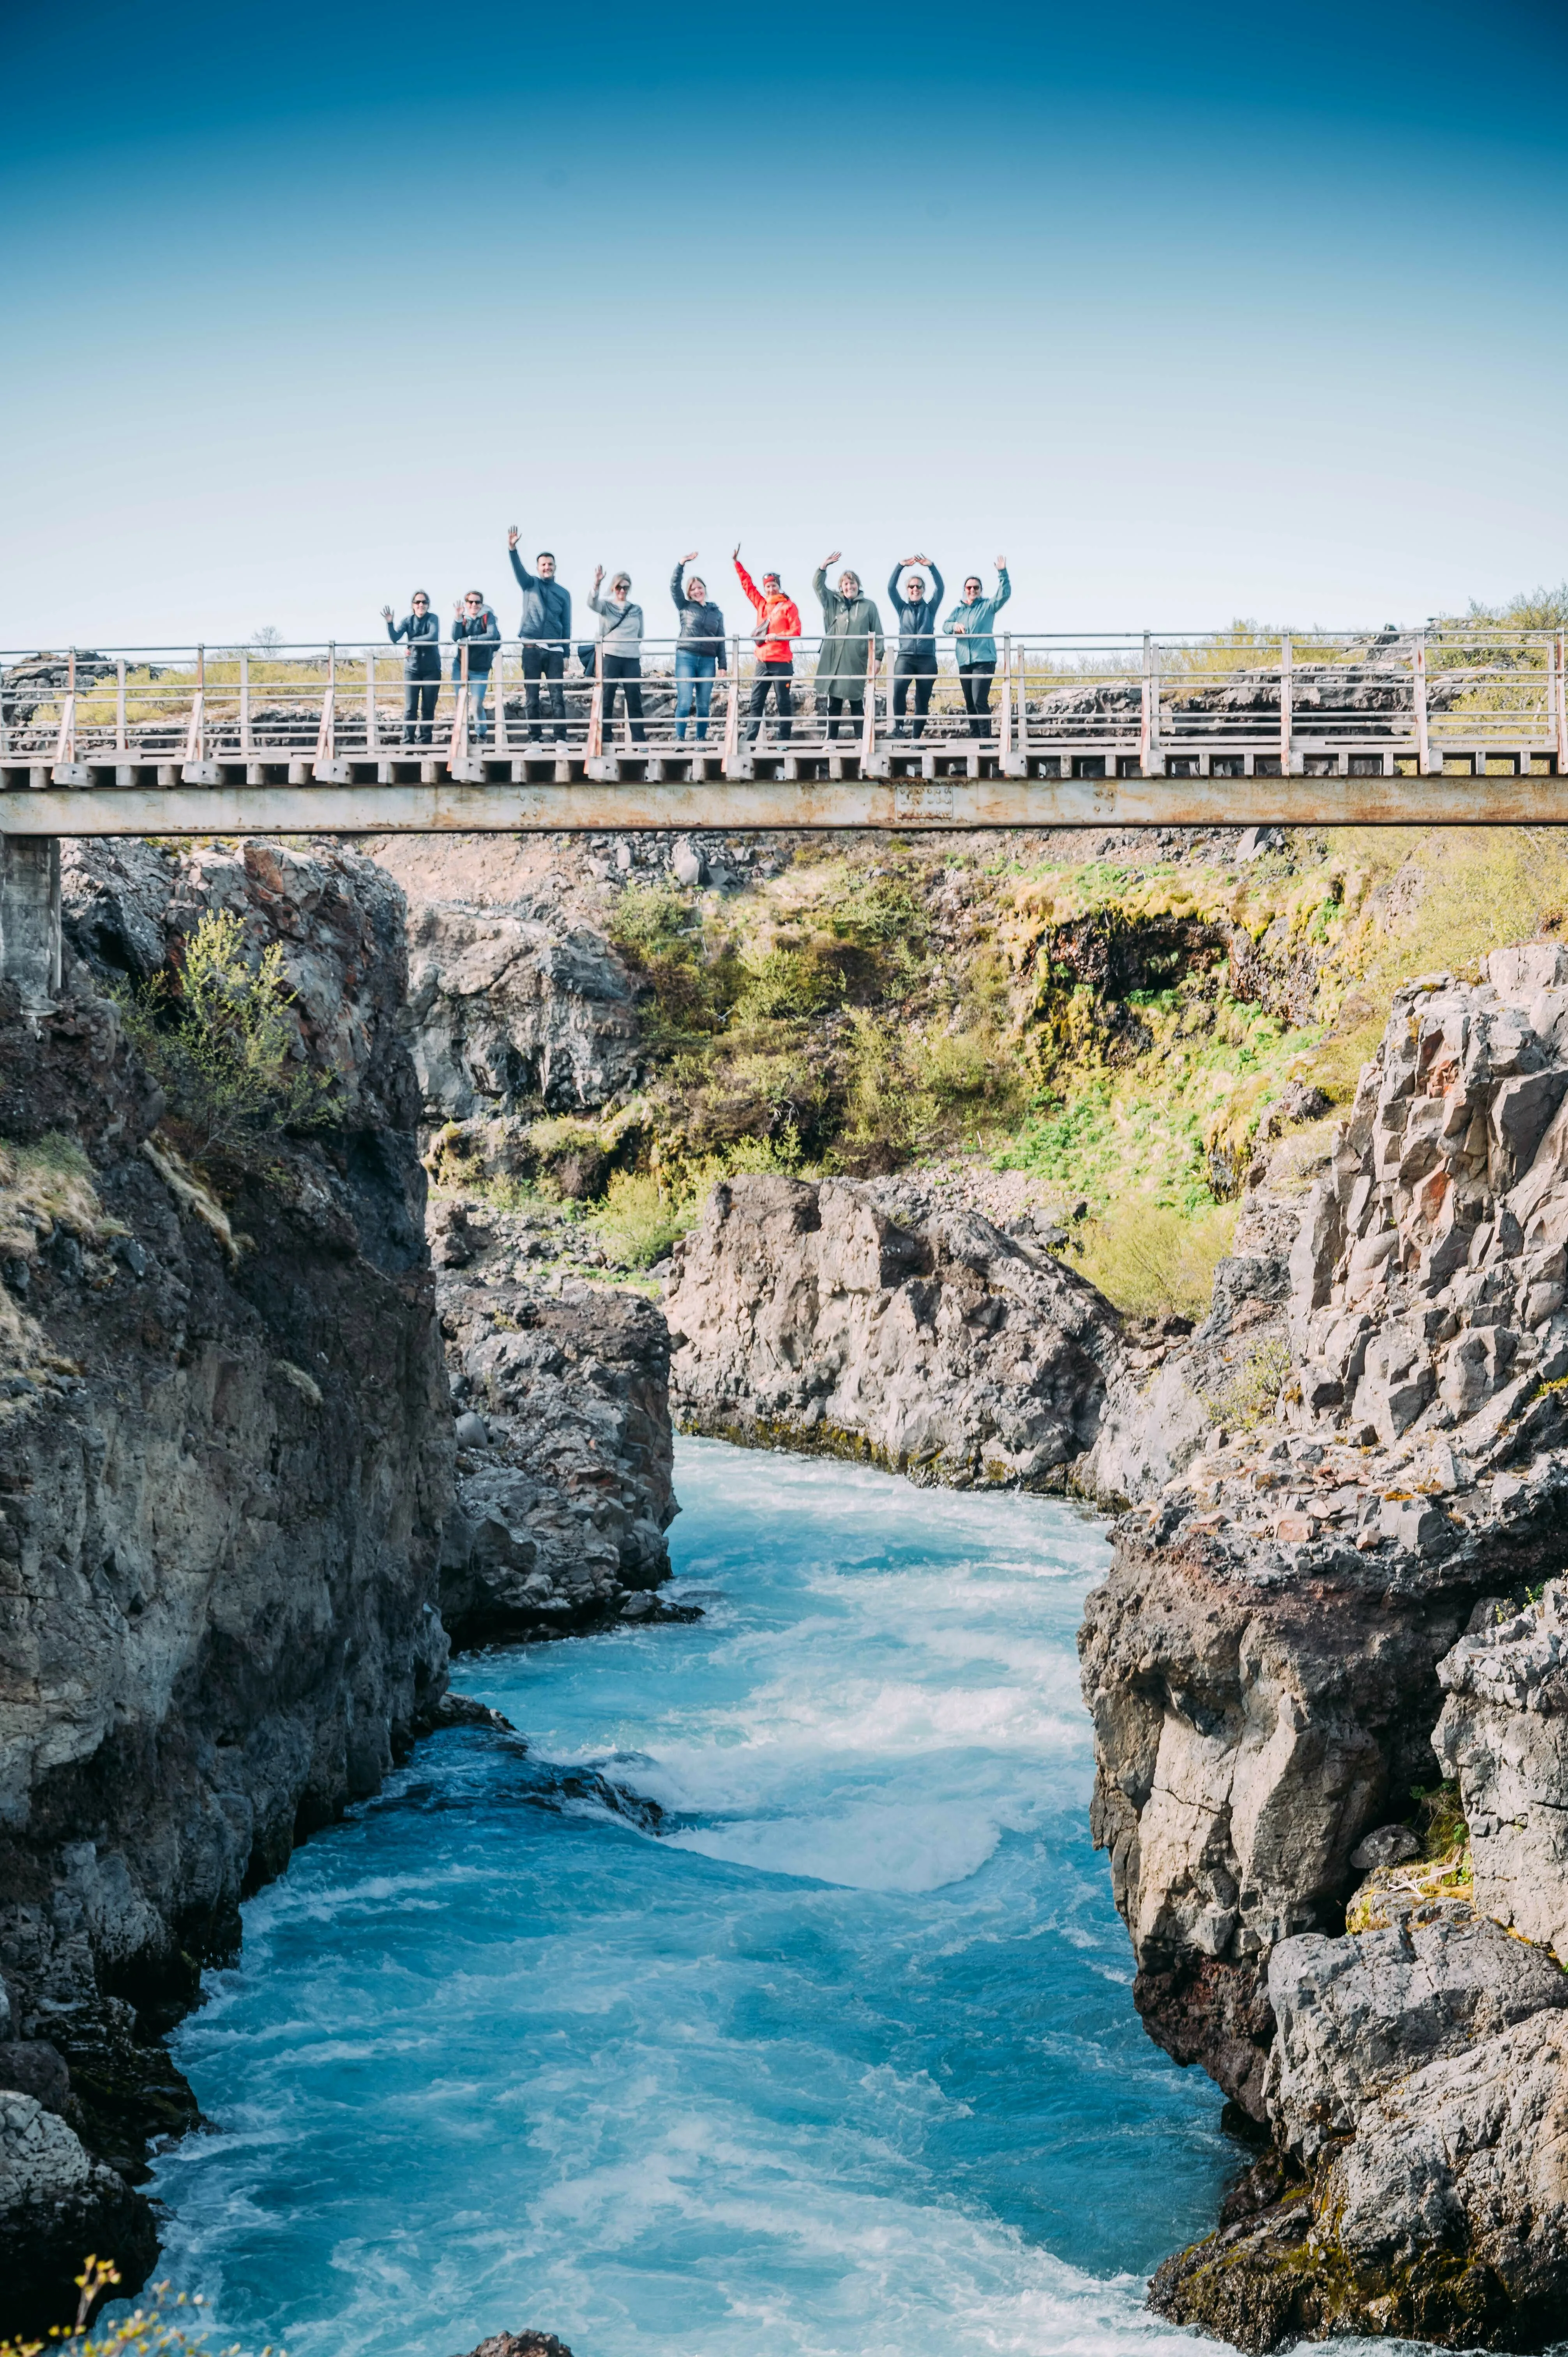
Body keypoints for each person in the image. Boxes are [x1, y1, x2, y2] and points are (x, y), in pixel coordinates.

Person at [507, 530, 571, 743]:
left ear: (555, 567)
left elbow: (567, 623)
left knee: (557, 698)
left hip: (555, 650)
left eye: (550, 564)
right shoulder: (530, 584)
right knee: (531, 699)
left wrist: (566, 654)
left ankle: (560, 739)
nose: (547, 567)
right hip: (532, 649)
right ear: (538, 568)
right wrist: (513, 549)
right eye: (543, 564)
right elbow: (518, 570)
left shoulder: (564, 593)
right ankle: (535, 740)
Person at [812, 553, 884, 740]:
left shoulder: (869, 606)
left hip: (856, 660)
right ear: (841, 587)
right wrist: (823, 567)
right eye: (846, 584)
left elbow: (878, 632)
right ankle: (831, 740)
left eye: (852, 584)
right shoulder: (832, 602)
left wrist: (878, 658)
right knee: (834, 702)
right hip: (835, 659)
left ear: (858, 586)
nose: (849, 587)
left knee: (856, 700)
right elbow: (818, 587)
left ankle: (861, 739)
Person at [734, 549, 800, 744]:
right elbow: (748, 586)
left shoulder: (789, 606)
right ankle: (749, 740)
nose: (771, 589)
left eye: (774, 586)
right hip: (762, 662)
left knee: (783, 702)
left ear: (779, 587)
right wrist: (737, 563)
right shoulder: (762, 605)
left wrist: (777, 637)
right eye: (768, 586)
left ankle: (783, 741)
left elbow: (796, 631)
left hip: (782, 662)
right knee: (756, 702)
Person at [942, 558, 1011, 737]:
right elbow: (945, 625)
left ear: (981, 590)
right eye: (969, 588)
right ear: (965, 590)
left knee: (979, 699)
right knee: (970, 702)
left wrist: (1002, 573)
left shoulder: (988, 606)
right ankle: (975, 738)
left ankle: (986, 741)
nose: (972, 590)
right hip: (965, 661)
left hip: (984, 660)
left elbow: (1004, 594)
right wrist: (954, 626)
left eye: (976, 588)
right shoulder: (959, 611)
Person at [887, 555, 945, 738]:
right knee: (898, 689)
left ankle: (916, 738)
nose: (915, 589)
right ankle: (899, 729)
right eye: (911, 587)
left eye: (918, 586)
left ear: (923, 589)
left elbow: (941, 588)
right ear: (908, 590)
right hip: (906, 657)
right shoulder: (901, 607)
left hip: (927, 659)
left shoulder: (930, 608)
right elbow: (890, 588)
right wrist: (901, 566)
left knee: (922, 700)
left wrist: (932, 567)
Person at [671, 555, 727, 742]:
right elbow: (674, 587)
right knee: (685, 700)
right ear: (689, 593)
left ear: (705, 589)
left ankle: (701, 739)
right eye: (693, 589)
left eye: (700, 588)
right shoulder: (685, 606)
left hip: (708, 660)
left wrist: (723, 666)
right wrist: (681, 565)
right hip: (686, 655)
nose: (697, 591)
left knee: (704, 704)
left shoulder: (716, 612)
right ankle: (679, 738)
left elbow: (721, 640)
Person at [588, 567, 646, 745]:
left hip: (631, 658)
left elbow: (640, 634)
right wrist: (597, 584)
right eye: (619, 587)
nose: (622, 591)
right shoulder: (607, 606)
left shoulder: (637, 610)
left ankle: (639, 741)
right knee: (607, 699)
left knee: (634, 700)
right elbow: (592, 603)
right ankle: (606, 739)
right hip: (611, 656)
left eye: (626, 588)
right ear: (613, 588)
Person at [381, 590, 441, 745]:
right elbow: (395, 638)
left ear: (428, 605)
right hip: (412, 669)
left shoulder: (433, 619)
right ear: (413, 605)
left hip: (432, 669)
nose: (421, 605)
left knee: (428, 707)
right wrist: (390, 623)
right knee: (410, 708)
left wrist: (412, 641)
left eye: (424, 602)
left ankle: (425, 742)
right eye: (418, 602)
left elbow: (433, 637)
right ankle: (407, 742)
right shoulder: (408, 620)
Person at [451, 590, 501, 743]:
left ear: (482, 604)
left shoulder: (488, 616)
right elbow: (455, 637)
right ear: (466, 603)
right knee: (461, 703)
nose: (474, 605)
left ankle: (481, 736)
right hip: (461, 666)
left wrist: (470, 639)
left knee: (476, 702)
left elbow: (492, 635)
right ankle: (463, 737)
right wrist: (458, 619)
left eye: (477, 602)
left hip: (480, 668)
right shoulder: (464, 618)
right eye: (470, 602)